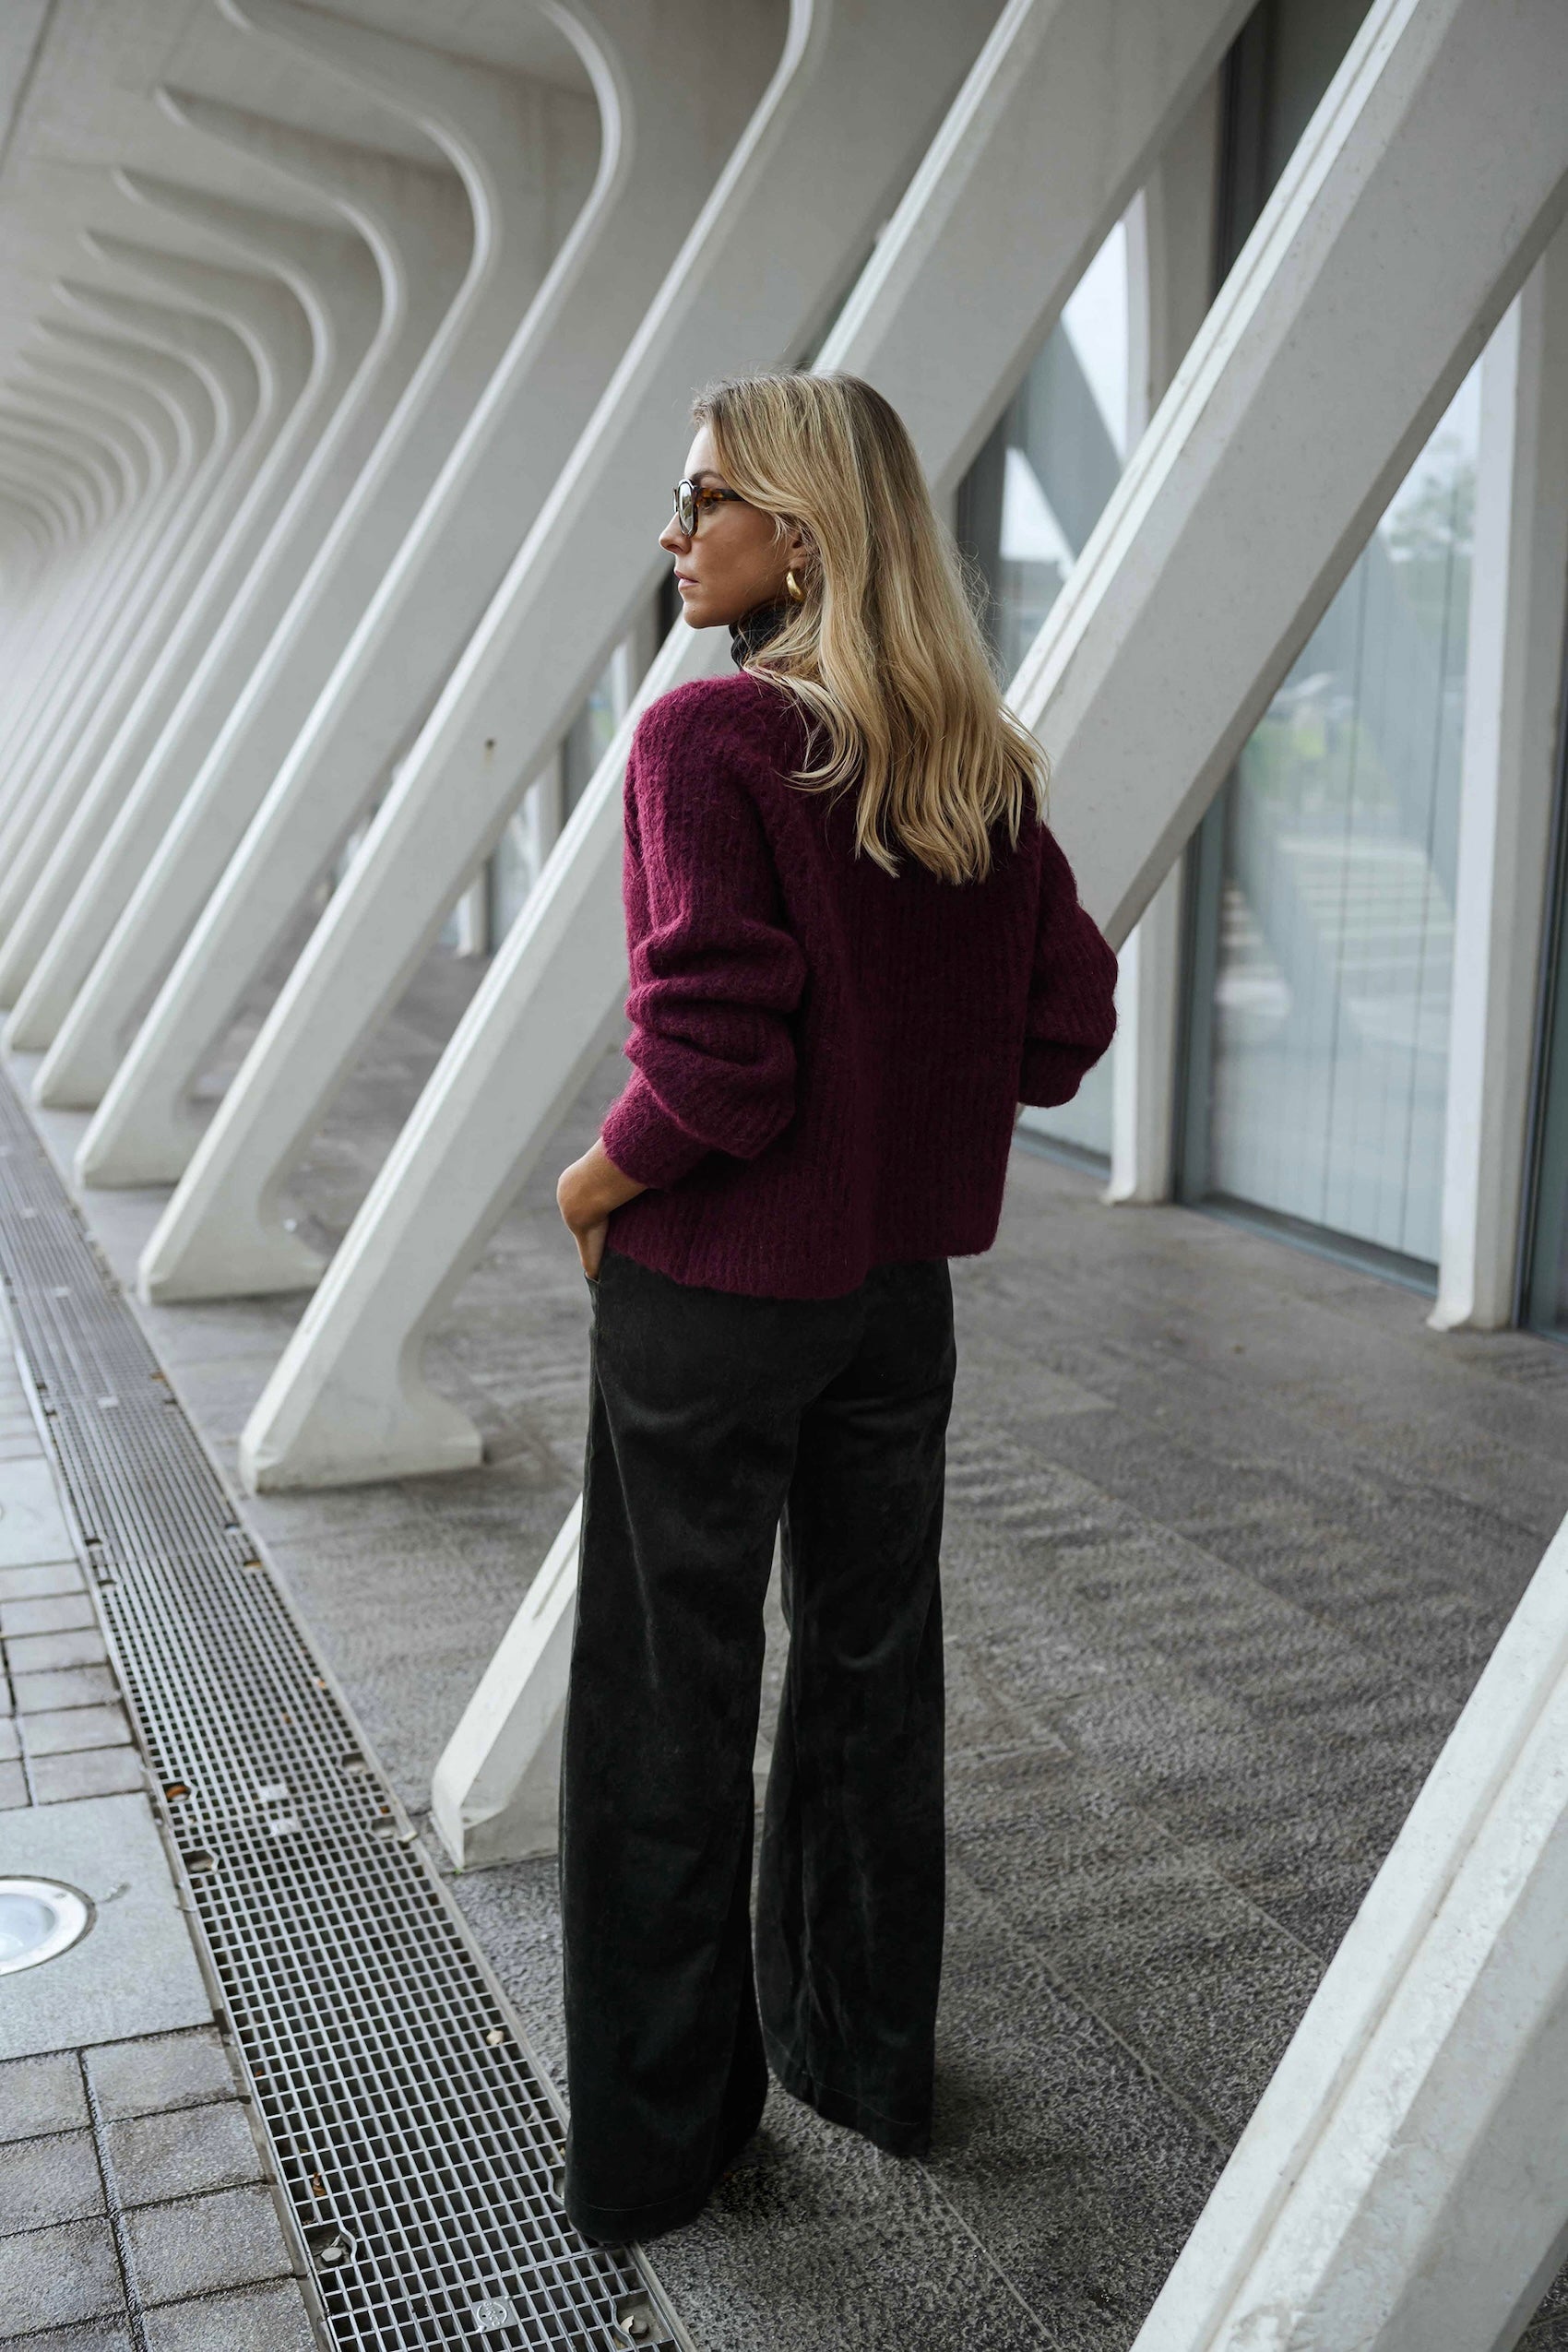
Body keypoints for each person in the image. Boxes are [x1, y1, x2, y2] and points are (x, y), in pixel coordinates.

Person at [553, 371, 1116, 2247]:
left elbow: (719, 1060)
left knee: (667, 1704)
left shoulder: (708, 738)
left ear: (797, 535)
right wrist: (908, 1088)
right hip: (893, 1307)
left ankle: (663, 2147)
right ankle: (861, 2057)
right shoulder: (971, 761)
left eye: (703, 497)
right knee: (872, 1677)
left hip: (715, 1296)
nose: (675, 531)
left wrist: (594, 1180)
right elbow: (1065, 1021)